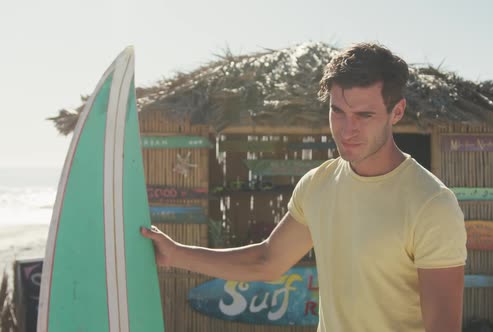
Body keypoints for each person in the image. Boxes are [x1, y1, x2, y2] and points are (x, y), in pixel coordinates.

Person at [141, 42, 467, 332]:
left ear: (396, 112)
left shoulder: (431, 203)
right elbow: (267, 260)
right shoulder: (318, 184)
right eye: (337, 111)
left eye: (364, 115)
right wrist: (175, 254)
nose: (347, 129)